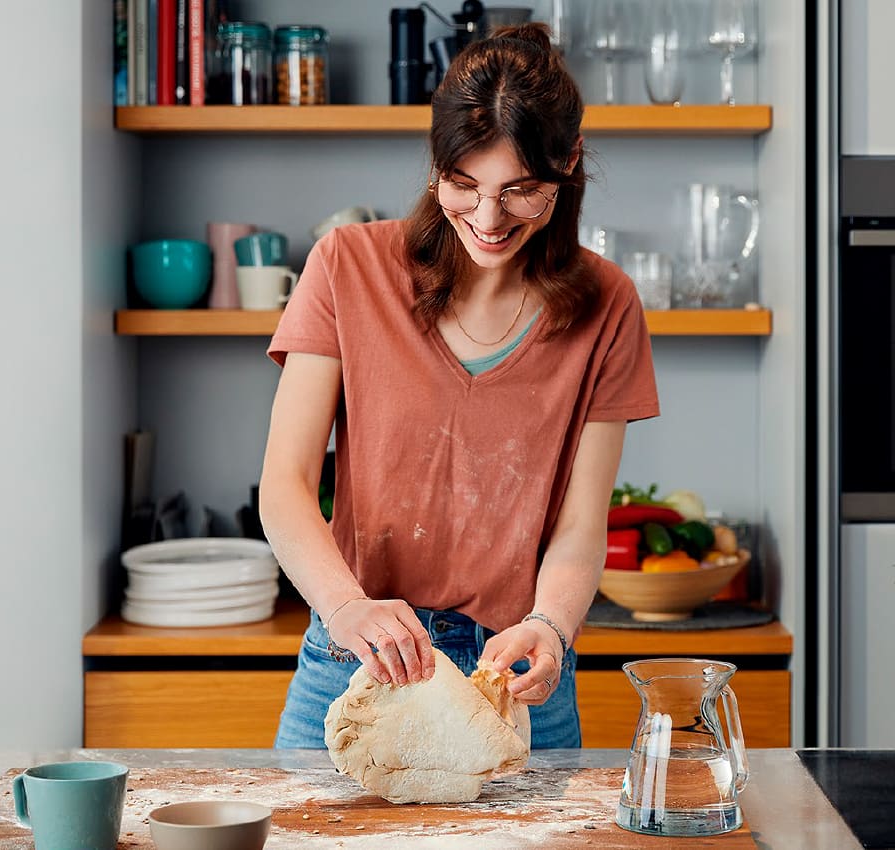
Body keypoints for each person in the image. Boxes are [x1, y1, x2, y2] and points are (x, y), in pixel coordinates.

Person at [259, 23, 658, 750]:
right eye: (462, 185)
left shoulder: (608, 304)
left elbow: (580, 527)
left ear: (567, 165)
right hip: (356, 654)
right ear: (436, 163)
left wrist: (552, 624)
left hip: (517, 673)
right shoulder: (346, 267)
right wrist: (346, 608)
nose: (487, 218)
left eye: (519, 192)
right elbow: (283, 485)